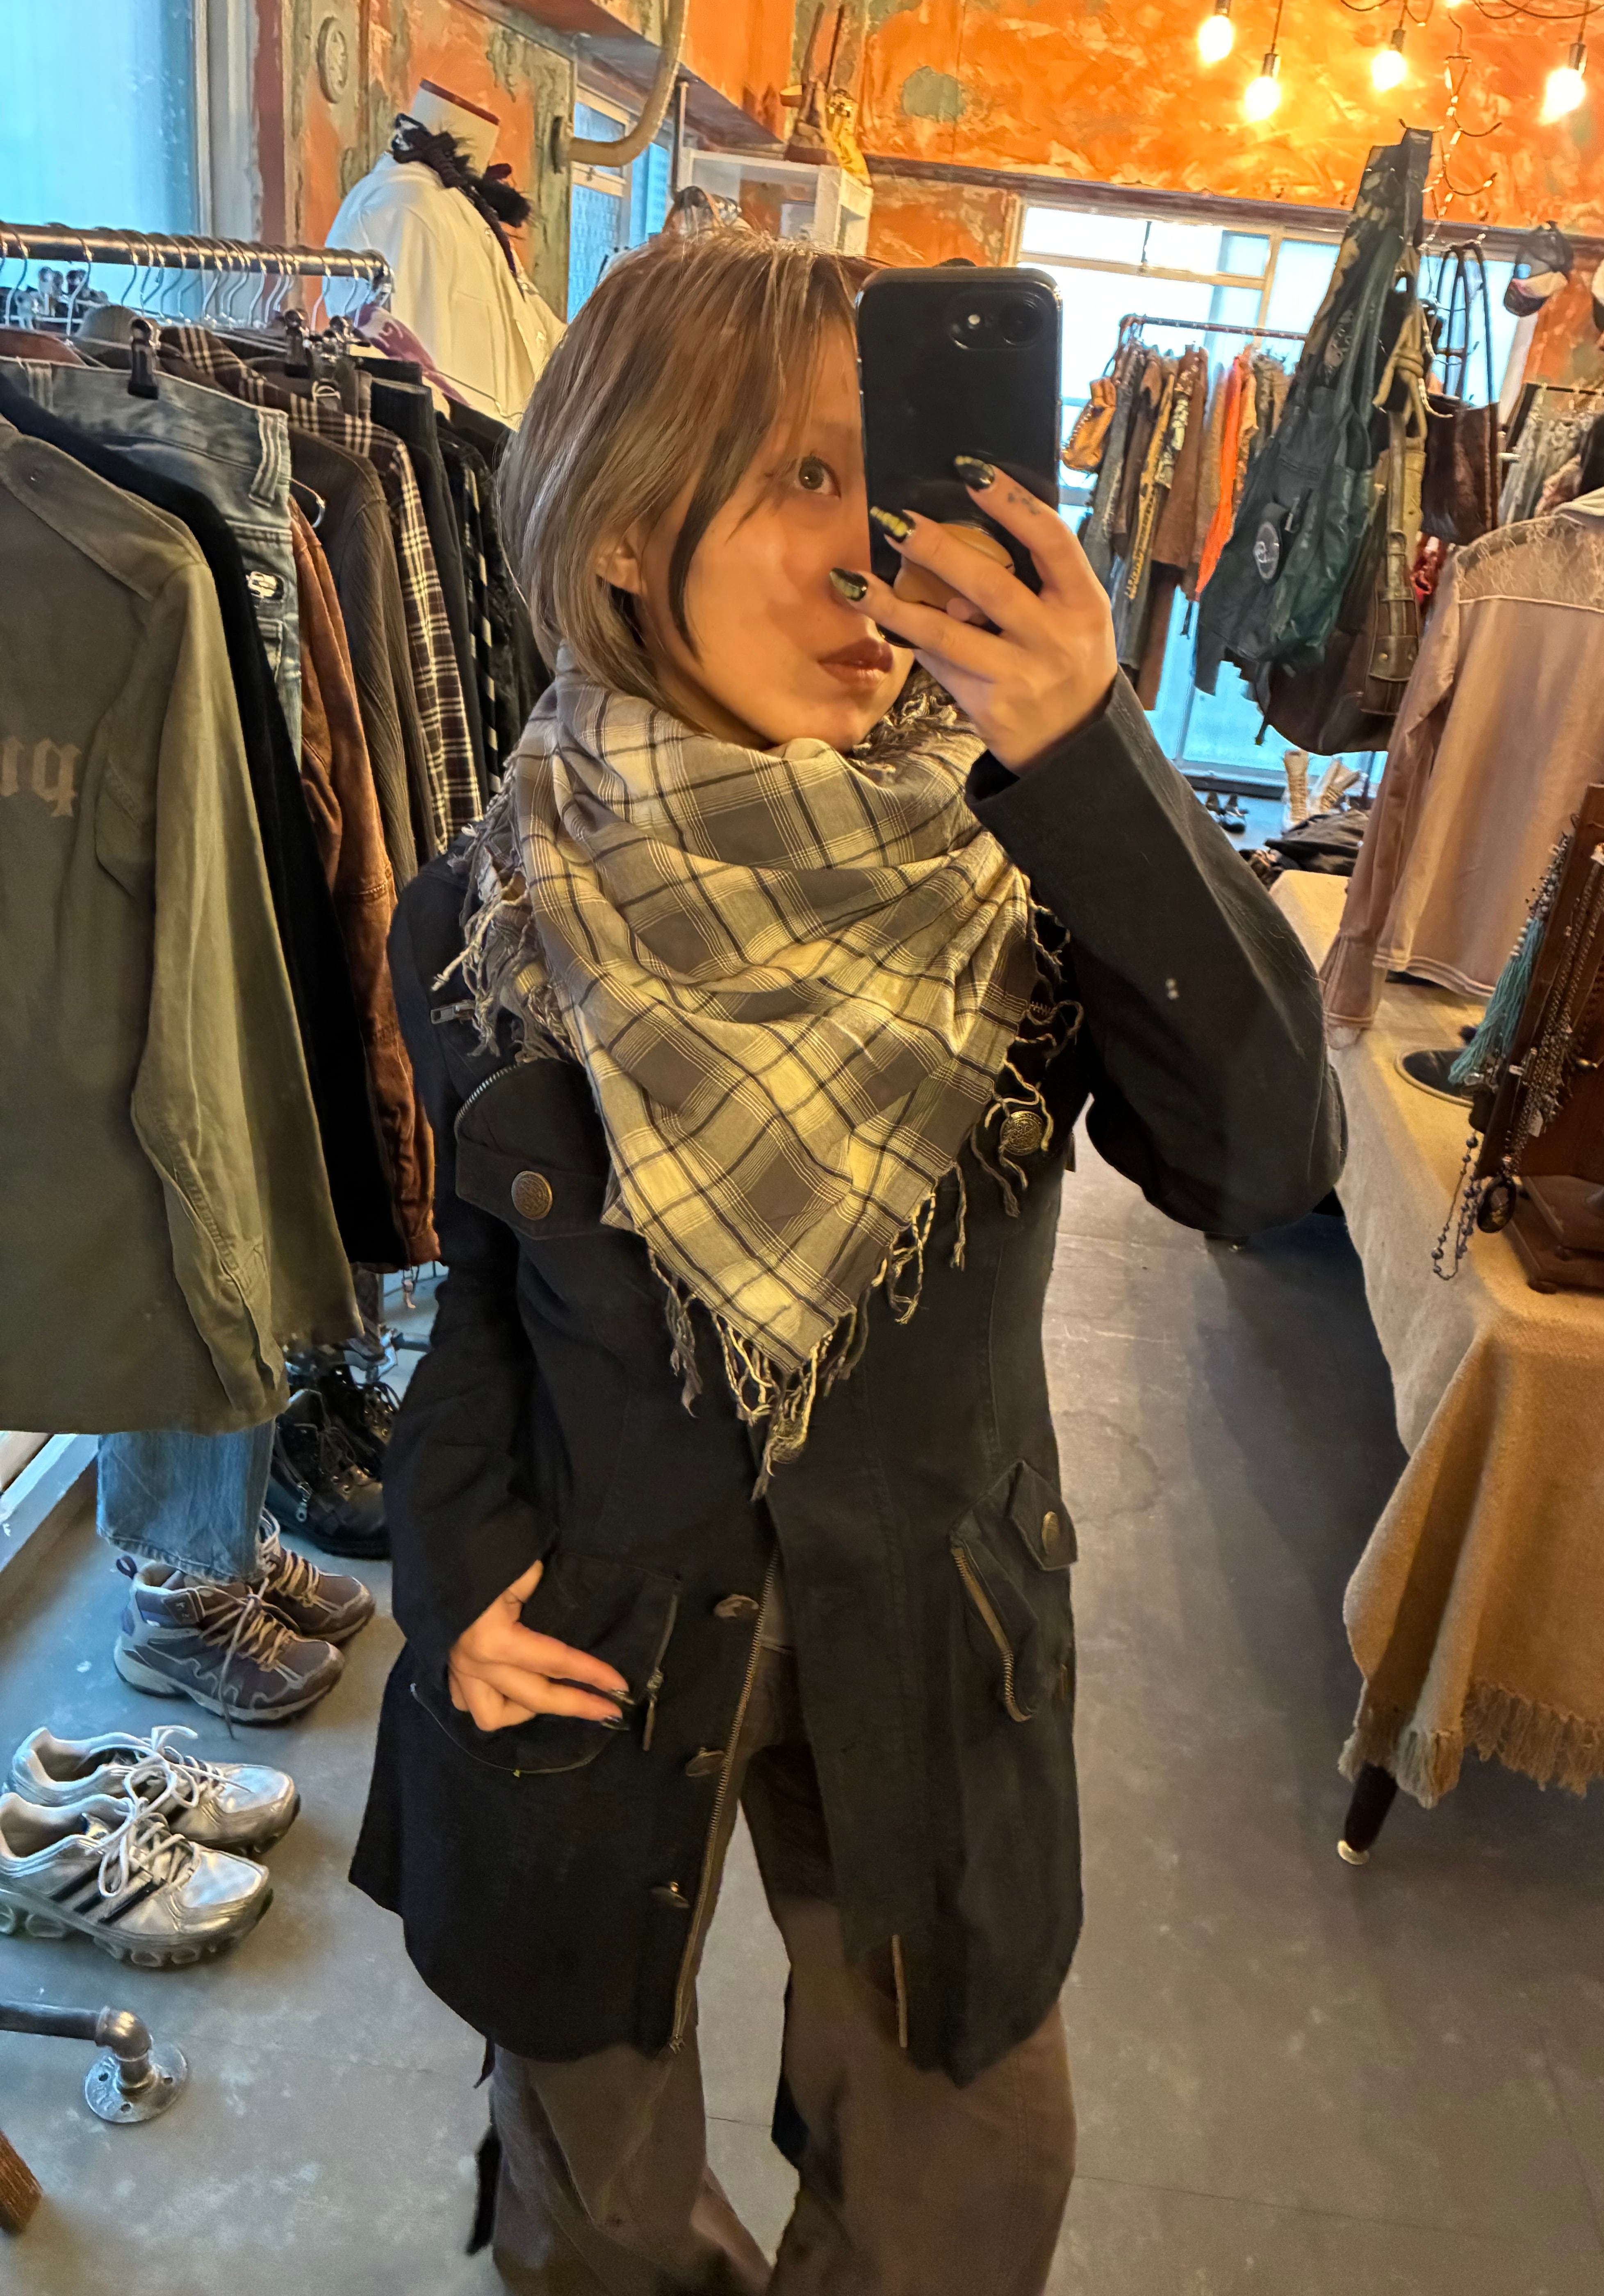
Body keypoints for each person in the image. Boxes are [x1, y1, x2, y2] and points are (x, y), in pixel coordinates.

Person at [352, 229, 1342, 2294]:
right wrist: (451, 1574)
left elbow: (1264, 1165)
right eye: (804, 476)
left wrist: (1089, 751)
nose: (870, 553)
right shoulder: (495, 901)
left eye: (887, 476)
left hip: (938, 1618)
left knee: (966, 2183)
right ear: (629, 533)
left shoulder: (1024, 865)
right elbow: (484, 1302)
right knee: (594, 2202)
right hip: (601, 1616)